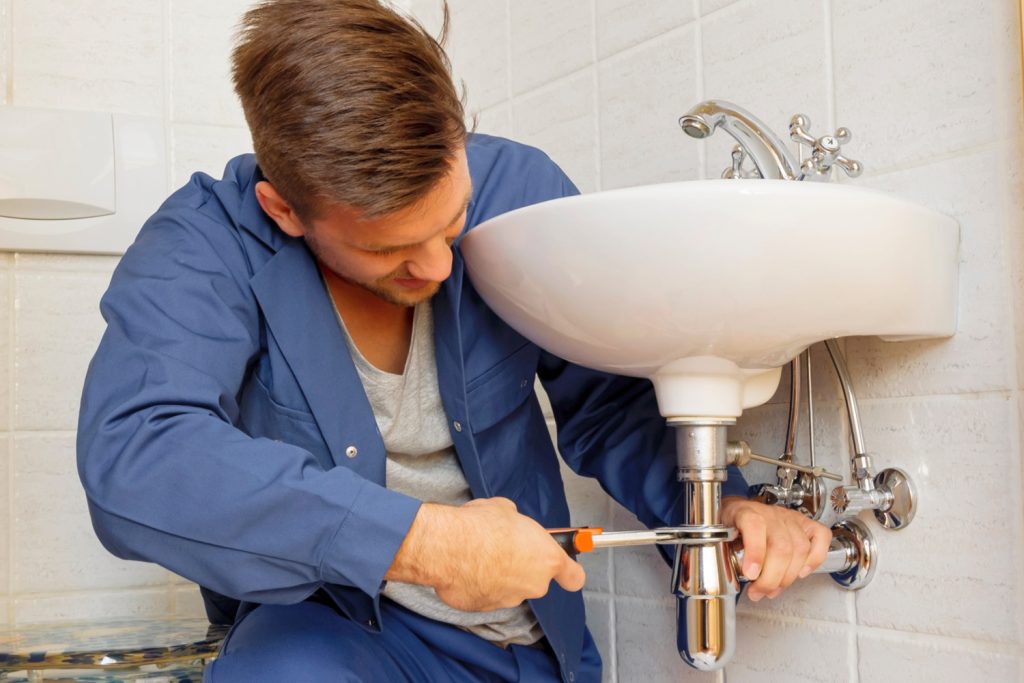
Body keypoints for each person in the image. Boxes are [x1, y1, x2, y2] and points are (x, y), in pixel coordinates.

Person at [76, 1, 832, 681]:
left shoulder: (519, 191)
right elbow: (136, 455)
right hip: (336, 629)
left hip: (523, 640)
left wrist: (726, 509)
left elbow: (608, 401)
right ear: (286, 211)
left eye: (451, 218)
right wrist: (421, 542)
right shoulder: (204, 244)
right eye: (391, 251)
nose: (439, 265)